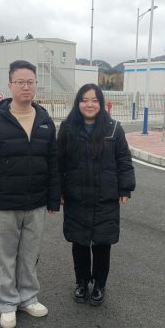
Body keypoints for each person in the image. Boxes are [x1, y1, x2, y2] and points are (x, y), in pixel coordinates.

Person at [0, 60, 61, 328]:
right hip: (5, 204)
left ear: (36, 85)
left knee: (29, 255)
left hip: (36, 203)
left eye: (30, 82)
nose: (26, 87)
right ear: (10, 85)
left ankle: (28, 298)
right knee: (5, 257)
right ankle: (7, 303)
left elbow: (53, 163)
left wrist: (53, 198)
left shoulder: (45, 122)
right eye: (20, 82)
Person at [57, 84, 135, 306]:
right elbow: (58, 163)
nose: (89, 105)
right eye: (84, 100)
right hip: (76, 196)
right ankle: (81, 282)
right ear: (78, 103)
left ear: (101, 103)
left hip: (105, 197)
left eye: (94, 100)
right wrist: (58, 190)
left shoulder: (114, 129)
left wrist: (125, 188)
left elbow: (124, 160)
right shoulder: (67, 128)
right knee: (79, 243)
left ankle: (100, 284)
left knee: (102, 243)